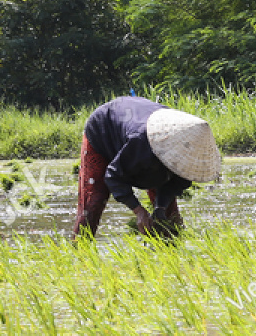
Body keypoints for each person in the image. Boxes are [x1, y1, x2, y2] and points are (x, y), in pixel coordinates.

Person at [74, 96, 221, 238]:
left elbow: (174, 184)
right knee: (94, 200)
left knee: (168, 216)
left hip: (143, 131)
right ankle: (79, 251)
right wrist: (139, 211)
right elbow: (113, 176)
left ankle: (169, 253)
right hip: (104, 130)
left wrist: (160, 208)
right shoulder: (141, 143)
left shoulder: (189, 157)